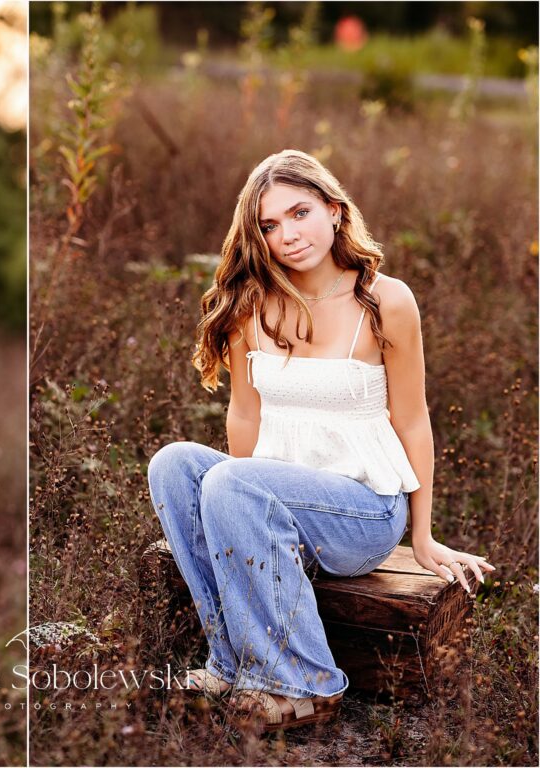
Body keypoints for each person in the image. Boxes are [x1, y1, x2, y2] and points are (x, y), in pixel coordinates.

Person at [147, 149, 495, 733]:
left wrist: (424, 535)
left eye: (300, 212)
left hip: (363, 511)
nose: (288, 235)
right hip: (281, 500)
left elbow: (413, 418)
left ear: (335, 210)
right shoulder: (249, 304)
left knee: (232, 480)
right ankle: (230, 662)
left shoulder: (385, 301)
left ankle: (303, 683)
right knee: (174, 465)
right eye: (269, 225)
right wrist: (240, 515)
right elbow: (244, 415)